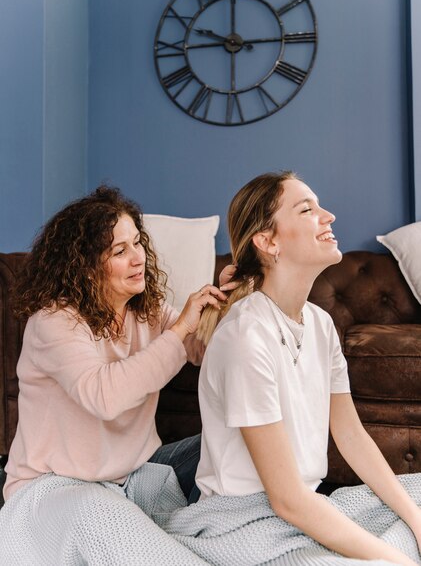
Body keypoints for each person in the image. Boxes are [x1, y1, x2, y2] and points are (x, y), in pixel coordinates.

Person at [194, 171, 421, 566]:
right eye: (307, 209)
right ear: (268, 242)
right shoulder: (246, 337)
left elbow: (350, 434)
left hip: (302, 504)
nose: (328, 215)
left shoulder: (320, 323)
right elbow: (286, 499)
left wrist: (417, 522)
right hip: (246, 521)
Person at [0, 185, 229, 565]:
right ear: (83, 266)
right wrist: (180, 328)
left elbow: (199, 350)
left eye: (137, 243)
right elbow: (105, 397)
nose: (138, 258)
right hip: (55, 488)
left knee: (232, 437)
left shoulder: (148, 309)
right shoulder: (54, 321)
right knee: (107, 518)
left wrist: (226, 308)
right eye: (120, 252)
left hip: (136, 476)